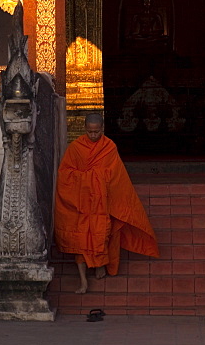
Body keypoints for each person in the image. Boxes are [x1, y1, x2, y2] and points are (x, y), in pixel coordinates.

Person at [54, 112, 159, 293]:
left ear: (102, 129)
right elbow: (65, 174)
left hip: (101, 205)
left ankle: (100, 265)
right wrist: (89, 179)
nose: (93, 136)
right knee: (81, 242)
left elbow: (116, 176)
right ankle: (83, 282)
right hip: (81, 204)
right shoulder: (76, 147)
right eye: (89, 132)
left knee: (101, 236)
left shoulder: (109, 147)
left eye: (96, 132)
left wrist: (96, 179)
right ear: (84, 129)